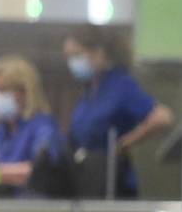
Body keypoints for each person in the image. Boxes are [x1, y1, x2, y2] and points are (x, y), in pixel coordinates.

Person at [63, 28, 173, 199]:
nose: (72, 62)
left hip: (114, 185)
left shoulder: (120, 85)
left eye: (77, 55)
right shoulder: (90, 89)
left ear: (98, 53)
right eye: (69, 57)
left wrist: (125, 143)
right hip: (86, 181)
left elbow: (162, 118)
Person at [0, 55, 65, 197]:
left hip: (34, 209)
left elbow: (37, 172)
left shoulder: (43, 126)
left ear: (25, 91)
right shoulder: (1, 130)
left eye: (3, 90)